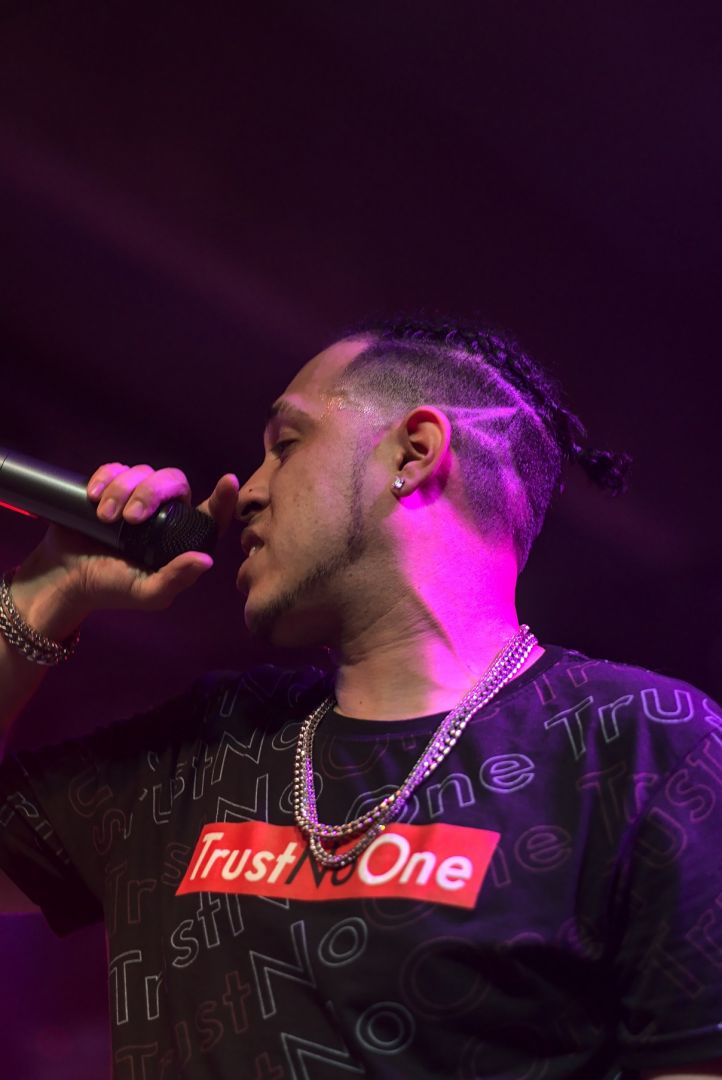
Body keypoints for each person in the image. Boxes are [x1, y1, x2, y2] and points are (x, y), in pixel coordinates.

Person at [0, 319, 720, 1080]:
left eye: (286, 444)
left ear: (414, 454)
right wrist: (46, 591)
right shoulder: (202, 746)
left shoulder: (645, 746)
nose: (248, 491)